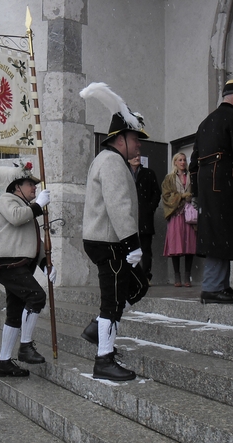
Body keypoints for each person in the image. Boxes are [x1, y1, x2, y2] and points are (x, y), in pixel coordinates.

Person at [79, 82, 150, 381]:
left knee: (135, 287)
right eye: (136, 138)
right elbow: (118, 205)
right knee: (112, 300)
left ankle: (98, 330)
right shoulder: (111, 162)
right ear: (121, 138)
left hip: (108, 240)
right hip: (110, 242)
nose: (139, 144)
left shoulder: (110, 160)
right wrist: (132, 243)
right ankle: (103, 359)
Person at [0, 162, 55, 378]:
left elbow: (35, 242)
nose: (34, 188)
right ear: (17, 187)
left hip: (21, 266)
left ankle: (3, 362)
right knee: (36, 296)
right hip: (8, 264)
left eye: (34, 185)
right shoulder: (8, 200)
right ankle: (25, 346)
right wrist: (37, 206)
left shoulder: (27, 209)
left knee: (14, 313)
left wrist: (45, 265)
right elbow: (16, 217)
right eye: (29, 184)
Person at [189, 78, 233, 304]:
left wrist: (197, 192)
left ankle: (221, 285)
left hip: (208, 185)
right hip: (225, 184)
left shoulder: (205, 122)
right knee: (222, 233)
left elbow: (193, 162)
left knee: (215, 232)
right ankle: (211, 287)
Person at [162, 152, 197, 287]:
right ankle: (177, 276)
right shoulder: (169, 178)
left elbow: (196, 192)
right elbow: (166, 196)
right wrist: (181, 196)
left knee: (189, 245)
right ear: (175, 162)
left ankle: (187, 275)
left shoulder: (191, 177)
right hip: (176, 214)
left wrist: (192, 197)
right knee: (176, 245)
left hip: (189, 215)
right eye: (180, 160)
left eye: (184, 160)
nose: (182, 162)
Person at [128, 154, 161, 282]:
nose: (137, 158)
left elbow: (156, 193)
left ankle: (146, 277)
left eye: (138, 156)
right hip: (128, 217)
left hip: (145, 218)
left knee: (146, 249)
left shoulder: (148, 173)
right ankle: (130, 277)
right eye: (134, 156)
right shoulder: (124, 172)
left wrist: (149, 209)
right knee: (129, 248)